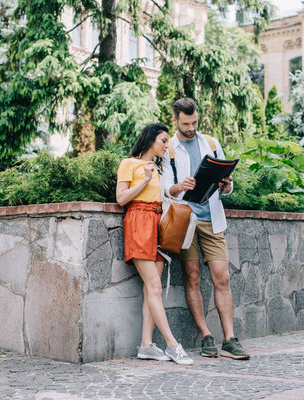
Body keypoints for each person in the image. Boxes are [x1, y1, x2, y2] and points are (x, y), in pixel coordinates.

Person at [161, 98, 250, 360]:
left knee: (222, 277)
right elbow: (166, 188)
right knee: (193, 277)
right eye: (186, 123)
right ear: (175, 120)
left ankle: (230, 340)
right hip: (185, 220)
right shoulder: (170, 149)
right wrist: (180, 187)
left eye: (195, 122)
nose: (191, 128)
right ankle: (205, 336)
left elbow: (227, 184)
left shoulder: (211, 143)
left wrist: (226, 185)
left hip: (212, 219)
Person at [116, 122, 194, 365]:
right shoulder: (129, 163)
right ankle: (172, 345)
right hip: (138, 221)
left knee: (152, 288)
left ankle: (146, 345)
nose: (166, 145)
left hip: (156, 223)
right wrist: (144, 179)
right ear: (150, 139)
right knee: (154, 287)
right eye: (163, 141)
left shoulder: (159, 168)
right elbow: (121, 199)